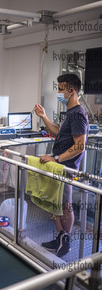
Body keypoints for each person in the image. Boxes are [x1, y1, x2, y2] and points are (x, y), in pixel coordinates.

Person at [34, 73, 89, 257]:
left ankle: (65, 241)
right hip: (59, 165)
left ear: (71, 90)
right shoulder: (70, 113)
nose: (58, 92)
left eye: (60, 88)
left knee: (65, 205)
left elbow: (80, 145)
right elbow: (59, 133)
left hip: (66, 167)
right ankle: (59, 237)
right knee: (56, 202)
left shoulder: (78, 114)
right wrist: (44, 117)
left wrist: (56, 159)